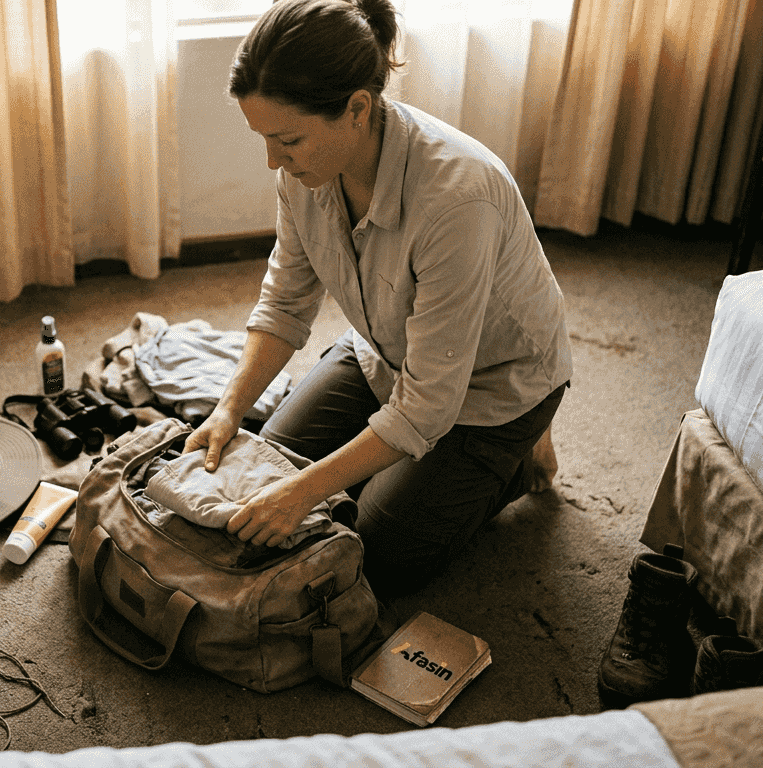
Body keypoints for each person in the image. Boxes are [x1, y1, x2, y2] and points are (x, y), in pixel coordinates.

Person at [184, 0, 573, 596]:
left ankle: (517, 453)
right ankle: (445, 468)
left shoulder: (458, 198)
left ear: (358, 109)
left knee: (373, 555)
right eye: (264, 139)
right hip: (384, 353)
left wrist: (304, 490)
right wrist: (228, 410)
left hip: (492, 386)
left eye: (287, 140)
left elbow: (427, 407)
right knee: (261, 479)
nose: (272, 162)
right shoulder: (302, 173)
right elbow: (286, 302)